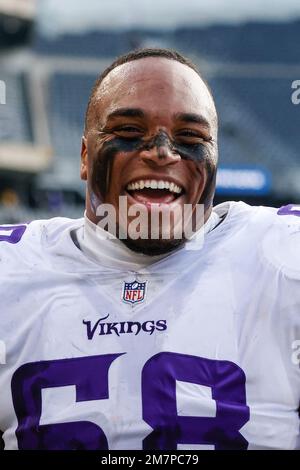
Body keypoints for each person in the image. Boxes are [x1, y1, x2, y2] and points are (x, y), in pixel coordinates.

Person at [0, 48, 299, 451]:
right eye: (127, 132)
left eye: (190, 137)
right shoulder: (11, 273)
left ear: (216, 159)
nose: (161, 152)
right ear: (85, 156)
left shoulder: (281, 255)